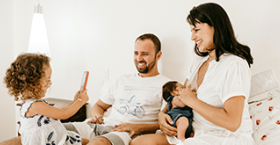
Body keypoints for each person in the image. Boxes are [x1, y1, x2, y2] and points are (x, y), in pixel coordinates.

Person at [0, 33, 170, 145]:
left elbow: (167, 123)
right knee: (41, 135)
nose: (139, 58)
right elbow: (99, 106)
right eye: (136, 53)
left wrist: (138, 128)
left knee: (97, 143)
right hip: (94, 124)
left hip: (123, 131)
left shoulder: (168, 86)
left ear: (158, 55)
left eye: (145, 54)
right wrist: (96, 115)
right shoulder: (121, 80)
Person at [130, 2, 256, 145]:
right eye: (191, 31)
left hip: (223, 137)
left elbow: (233, 122)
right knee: (138, 142)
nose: (192, 37)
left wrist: (193, 101)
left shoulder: (234, 64)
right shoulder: (198, 62)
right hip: (194, 133)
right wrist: (162, 115)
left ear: (215, 26)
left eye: (196, 30)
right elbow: (181, 94)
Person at [3, 53, 89, 145]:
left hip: (51, 138)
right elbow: (64, 114)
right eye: (47, 80)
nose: (50, 83)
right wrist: (80, 101)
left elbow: (58, 112)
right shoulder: (36, 105)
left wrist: (74, 101)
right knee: (86, 141)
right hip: (50, 142)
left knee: (84, 140)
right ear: (32, 82)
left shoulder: (30, 103)